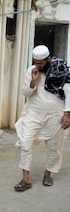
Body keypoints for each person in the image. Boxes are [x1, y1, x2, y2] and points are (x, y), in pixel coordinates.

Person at [14, 45, 70, 192]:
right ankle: (25, 178)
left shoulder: (61, 70)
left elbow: (68, 91)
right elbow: (26, 93)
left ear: (48, 59)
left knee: (54, 146)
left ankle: (48, 173)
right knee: (25, 142)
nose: (38, 65)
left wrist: (67, 114)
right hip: (34, 113)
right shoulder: (31, 70)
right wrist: (33, 81)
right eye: (36, 62)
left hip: (56, 114)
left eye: (41, 63)